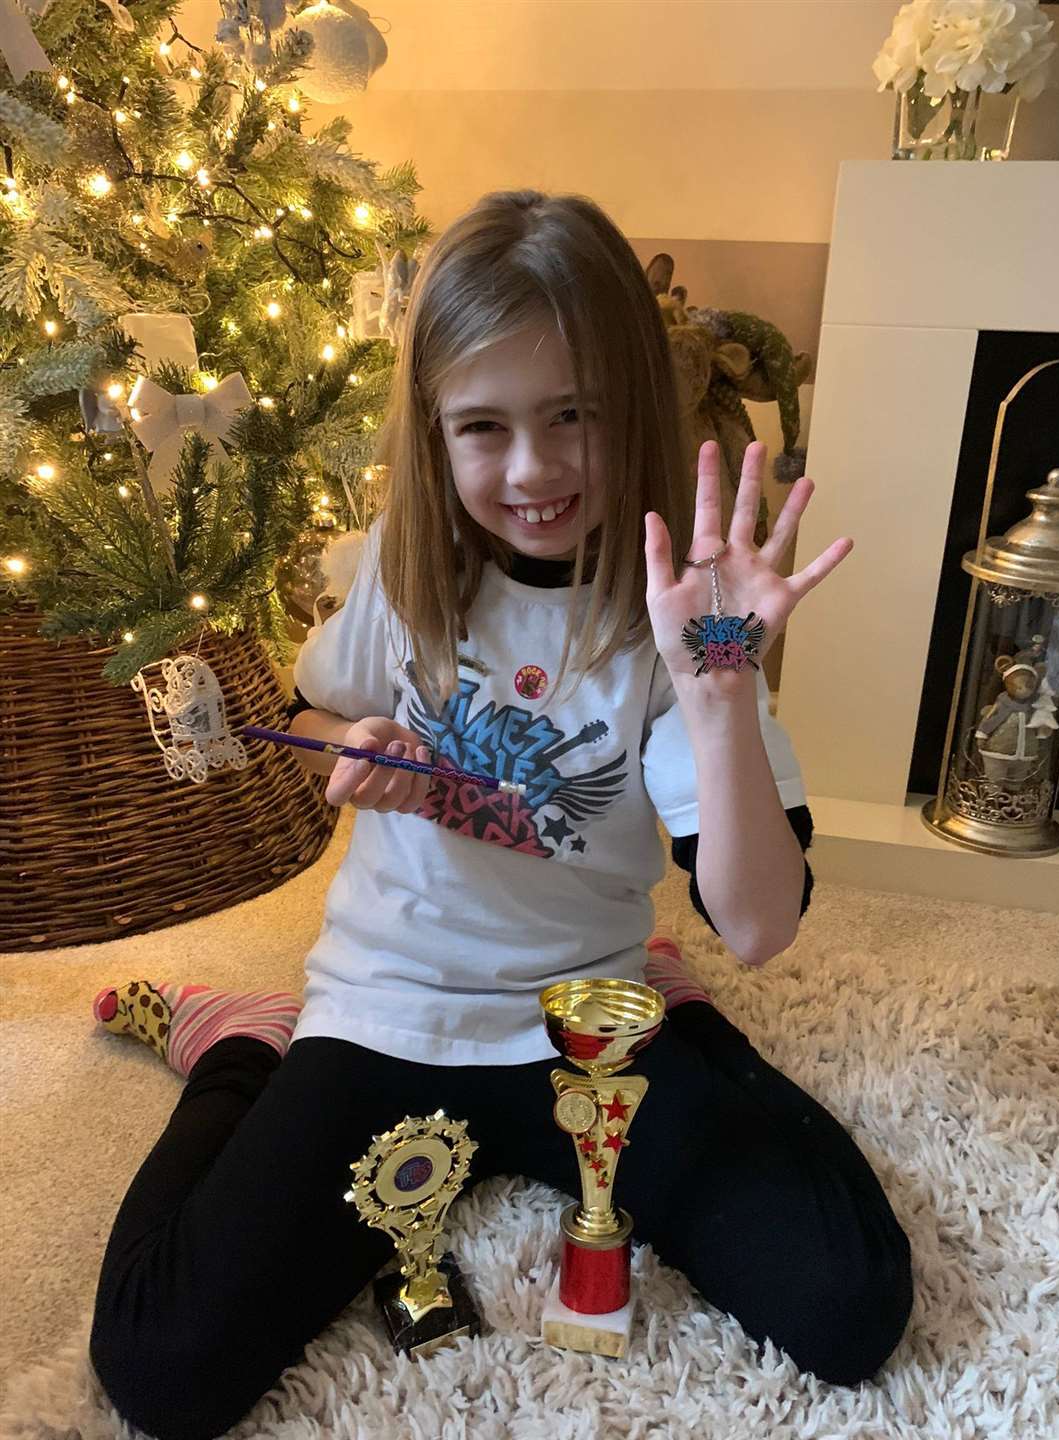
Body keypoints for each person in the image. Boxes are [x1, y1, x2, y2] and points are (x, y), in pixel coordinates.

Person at [88, 190, 912, 1440]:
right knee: (160, 1367)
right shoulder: (401, 571)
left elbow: (758, 924)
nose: (532, 470)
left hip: (583, 1017)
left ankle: (678, 1016)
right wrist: (348, 746)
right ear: (434, 431)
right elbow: (314, 712)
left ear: (630, 401)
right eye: (486, 426)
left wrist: (721, 689)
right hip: (385, 1008)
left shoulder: (675, 619)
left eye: (572, 415)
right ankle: (244, 1048)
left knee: (850, 1307)